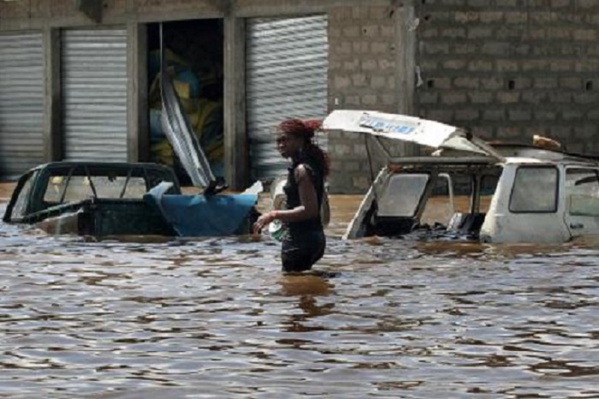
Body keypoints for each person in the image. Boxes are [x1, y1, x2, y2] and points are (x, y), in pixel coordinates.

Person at [253, 118, 329, 273]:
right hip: (313, 239)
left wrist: (273, 215)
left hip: (300, 242)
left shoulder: (302, 170)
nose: (280, 145)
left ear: (300, 140)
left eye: (285, 140)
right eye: (278, 141)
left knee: (290, 290)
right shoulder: (310, 165)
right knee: (305, 290)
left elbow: (309, 210)